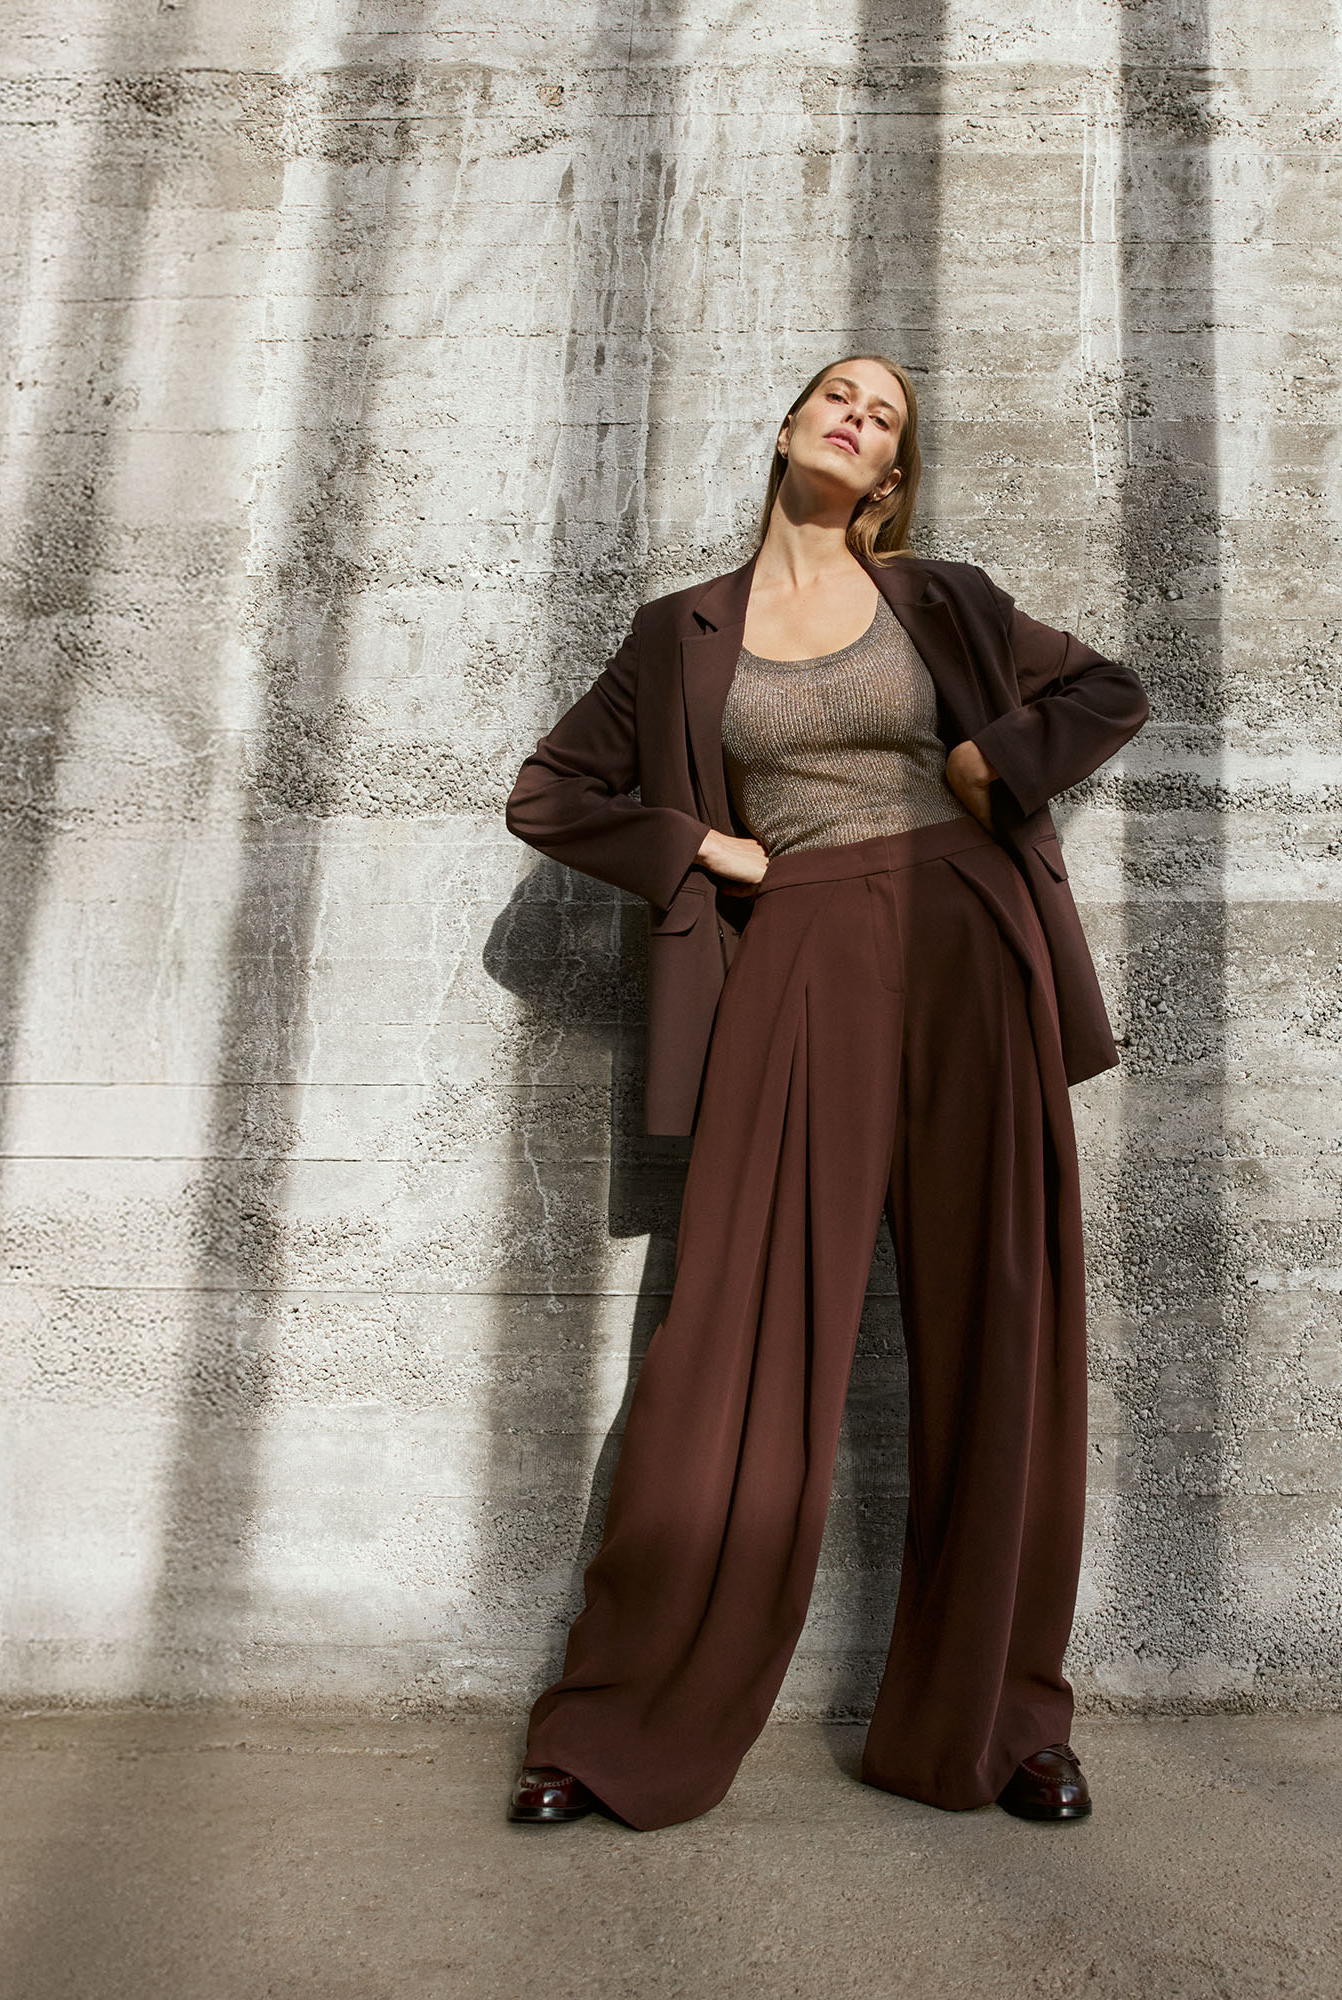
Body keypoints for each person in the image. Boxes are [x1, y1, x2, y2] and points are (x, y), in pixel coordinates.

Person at [496, 354, 1150, 1830]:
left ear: (890, 476)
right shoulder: (682, 632)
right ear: (790, 427)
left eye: (886, 416)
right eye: (839, 398)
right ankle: (618, 1727)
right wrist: (696, 846)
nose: (858, 418)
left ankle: (1003, 1723)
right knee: (731, 1338)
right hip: (795, 958)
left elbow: (1110, 687)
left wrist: (995, 763)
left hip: (970, 940)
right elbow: (549, 792)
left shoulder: (944, 600)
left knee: (1000, 1321)